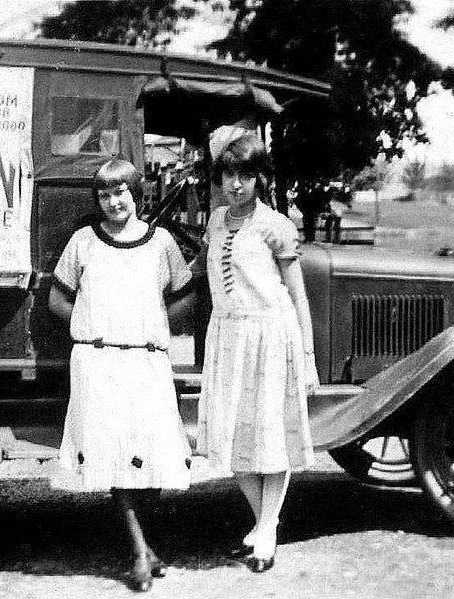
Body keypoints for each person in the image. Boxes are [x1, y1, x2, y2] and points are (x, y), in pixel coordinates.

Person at [48, 158, 195, 592]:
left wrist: (148, 324)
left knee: (154, 456)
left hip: (147, 361)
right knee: (113, 459)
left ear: (137, 193)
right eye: (105, 195)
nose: (114, 202)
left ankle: (145, 547)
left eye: (121, 192)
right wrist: (97, 326)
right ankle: (137, 552)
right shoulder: (83, 242)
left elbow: (184, 299)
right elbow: (58, 300)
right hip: (98, 362)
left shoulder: (162, 243)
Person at [196, 135, 317, 573]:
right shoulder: (214, 221)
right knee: (233, 442)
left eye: (247, 175)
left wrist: (307, 356)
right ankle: (264, 521)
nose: (237, 185)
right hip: (229, 336)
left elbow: (298, 296)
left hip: (270, 336)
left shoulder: (276, 226)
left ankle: (265, 531)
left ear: (260, 179)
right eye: (229, 175)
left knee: (272, 438)